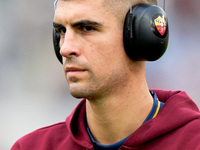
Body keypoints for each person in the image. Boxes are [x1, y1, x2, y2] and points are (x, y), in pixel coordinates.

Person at [11, 0, 200, 150]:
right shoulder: (30, 147)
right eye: (61, 31)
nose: (65, 48)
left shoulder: (193, 142)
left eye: (86, 28)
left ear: (142, 35)